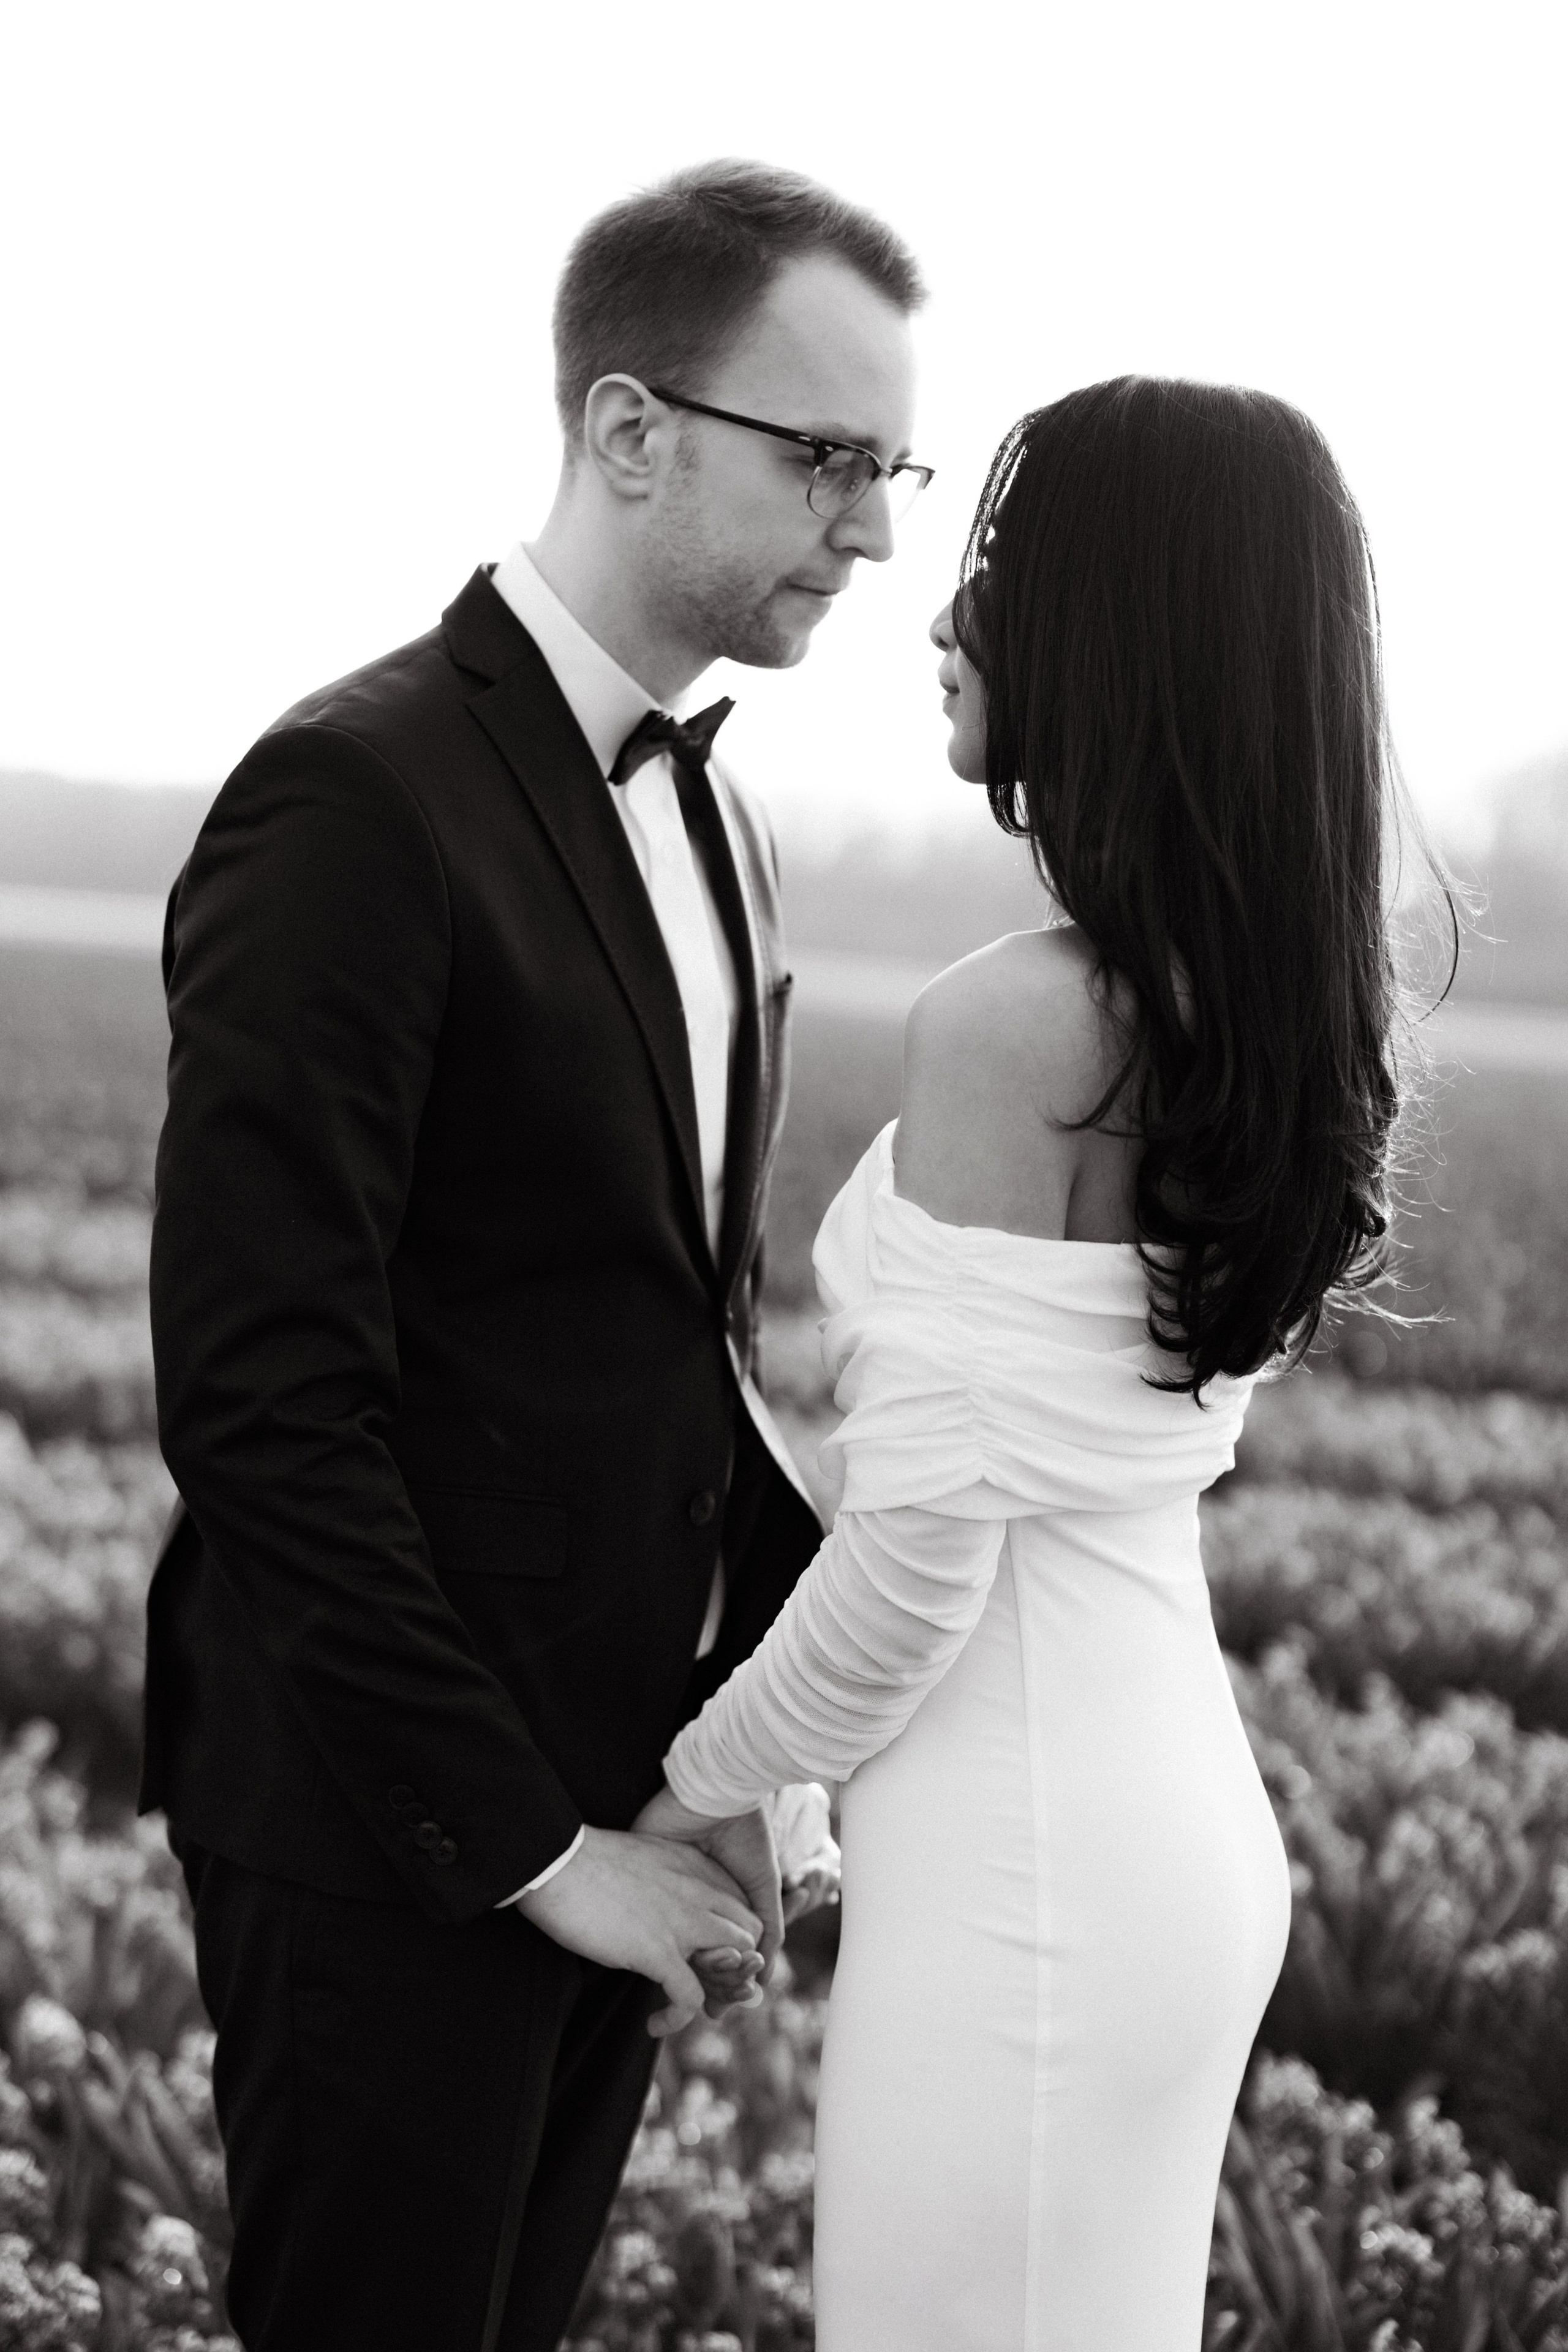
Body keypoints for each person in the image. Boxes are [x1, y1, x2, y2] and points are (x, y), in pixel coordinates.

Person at [139, 159, 930, 2352]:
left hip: (628, 1798)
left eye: (894, 466)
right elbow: (260, 1403)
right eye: (832, 460)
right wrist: (531, 1852)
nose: (873, 530)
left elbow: (669, 1345)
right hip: (397, 1829)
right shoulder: (353, 797)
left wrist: (740, 1756)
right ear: (628, 428)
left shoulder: (725, 820)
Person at [638, 376, 1434, 2348]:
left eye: (996, 568)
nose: (937, 613)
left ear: (1118, 625)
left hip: (1030, 1879)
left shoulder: (1025, 1021)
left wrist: (690, 1789)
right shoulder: (1240, 1011)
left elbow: (919, 1574)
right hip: (1156, 1822)